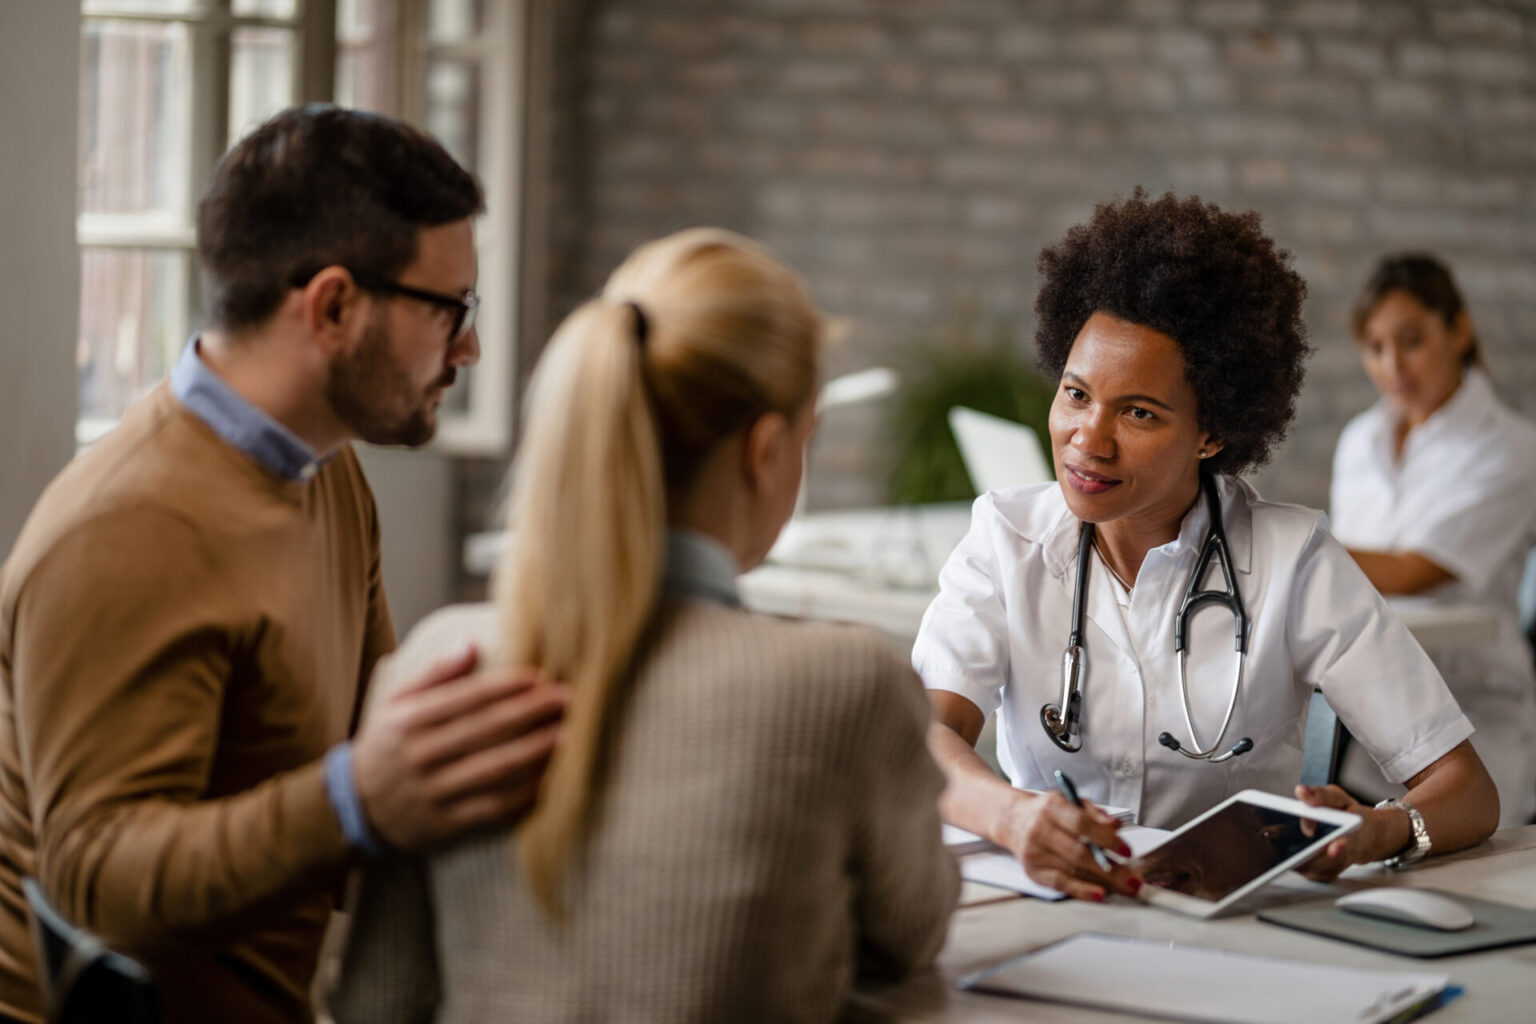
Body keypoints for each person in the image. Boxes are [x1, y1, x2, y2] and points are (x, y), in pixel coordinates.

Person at [0, 106, 566, 1024]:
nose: (467, 348)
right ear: (335, 306)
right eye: (450, 310)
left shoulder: (327, 470)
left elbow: (374, 733)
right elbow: (95, 881)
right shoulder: (127, 528)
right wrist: (357, 798)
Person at [326, 228, 958, 1024]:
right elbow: (912, 933)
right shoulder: (845, 685)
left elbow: (377, 1000)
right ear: (766, 449)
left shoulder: (439, 659)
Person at [912, 190, 1499, 903]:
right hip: (1047, 907)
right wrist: (1012, 814)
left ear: (1212, 433)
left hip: (1232, 930)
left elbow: (1466, 789)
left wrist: (1381, 830)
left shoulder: (1293, 561)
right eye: (1075, 394)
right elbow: (921, 740)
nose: (1088, 439)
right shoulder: (1005, 538)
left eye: (1138, 412)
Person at [1331, 254, 1536, 826]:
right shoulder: (1360, 441)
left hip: (1475, 716)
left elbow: (1411, 571)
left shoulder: (1512, 448)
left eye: (1411, 340)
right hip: (1375, 724)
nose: (1392, 364)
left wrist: (1295, 545)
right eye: (1374, 347)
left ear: (1459, 330)